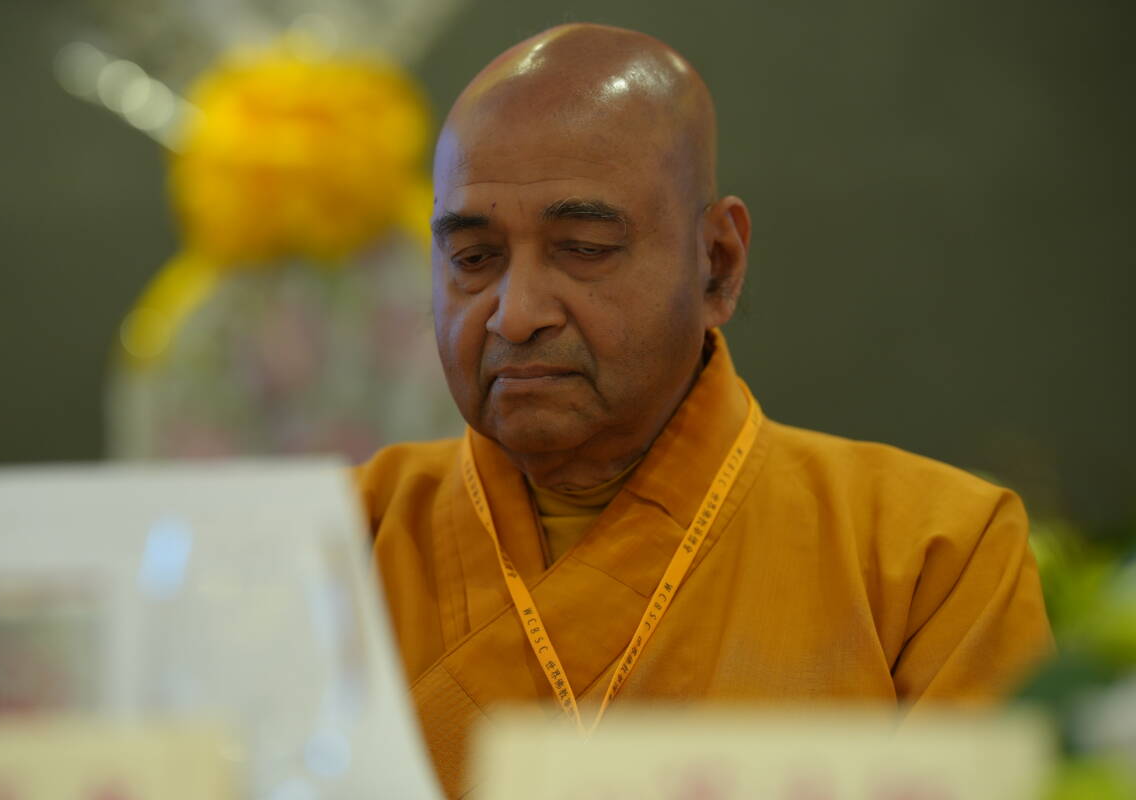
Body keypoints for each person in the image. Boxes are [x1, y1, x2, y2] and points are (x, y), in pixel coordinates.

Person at [355, 23, 1053, 798]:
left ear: (718, 264)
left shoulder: (934, 554)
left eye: (583, 247)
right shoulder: (342, 539)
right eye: (473, 259)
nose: (514, 315)